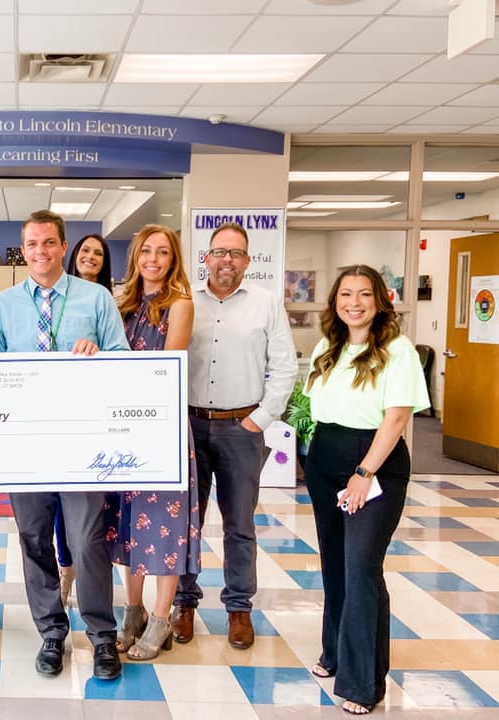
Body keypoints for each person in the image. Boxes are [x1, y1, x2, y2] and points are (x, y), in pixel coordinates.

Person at [0, 209, 129, 681]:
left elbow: (124, 360)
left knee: (88, 540)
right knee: (33, 539)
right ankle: (51, 630)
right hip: (26, 446)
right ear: (23, 250)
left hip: (81, 445)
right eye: (32, 245)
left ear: (62, 247)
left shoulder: (96, 298)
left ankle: (102, 635)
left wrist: (100, 355)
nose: (40, 252)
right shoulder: (3, 306)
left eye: (49, 243)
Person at [303, 265, 429, 716]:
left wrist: (364, 472)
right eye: (345, 295)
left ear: (380, 301)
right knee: (335, 563)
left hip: (373, 461)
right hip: (325, 457)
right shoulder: (327, 346)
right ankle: (336, 653)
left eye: (363, 295)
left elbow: (396, 419)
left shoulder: (398, 350)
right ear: (334, 301)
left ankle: (362, 683)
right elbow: (310, 404)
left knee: (361, 566)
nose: (353, 303)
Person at [173, 221, 297, 650]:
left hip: (241, 428)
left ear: (248, 261)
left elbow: (285, 367)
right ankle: (184, 603)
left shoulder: (265, 304)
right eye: (219, 251)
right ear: (205, 257)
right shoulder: (184, 301)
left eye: (236, 253)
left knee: (239, 524)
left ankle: (238, 608)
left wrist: (259, 420)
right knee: (186, 523)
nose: (227, 259)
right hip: (188, 425)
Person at [108, 224, 201, 660]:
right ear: (135, 256)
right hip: (122, 429)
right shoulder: (118, 303)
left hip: (161, 428)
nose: (153, 259)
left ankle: (161, 617)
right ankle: (133, 609)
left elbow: (167, 365)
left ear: (173, 259)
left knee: (164, 526)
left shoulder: (179, 304)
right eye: (146, 251)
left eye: (163, 252)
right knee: (127, 522)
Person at [57, 232, 113, 604]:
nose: (90, 257)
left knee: (95, 509)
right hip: (59, 420)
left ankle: (93, 579)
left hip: (98, 418)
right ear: (72, 254)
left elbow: (117, 355)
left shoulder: (108, 301)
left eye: (98, 253)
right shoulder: (56, 299)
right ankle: (66, 574)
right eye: (85, 250)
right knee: (62, 509)